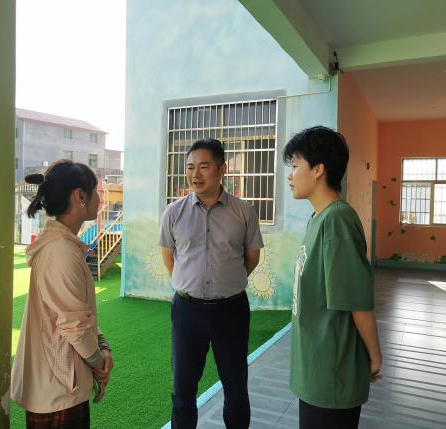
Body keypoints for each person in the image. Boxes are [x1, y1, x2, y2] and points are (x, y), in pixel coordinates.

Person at [159, 138, 263, 429]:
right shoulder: (173, 213)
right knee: (183, 391)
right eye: (190, 167)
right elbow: (169, 257)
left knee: (236, 389)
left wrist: (226, 281)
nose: (195, 174)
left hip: (231, 311)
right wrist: (189, 283)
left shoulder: (243, 212)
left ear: (221, 170)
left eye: (204, 167)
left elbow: (252, 257)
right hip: (187, 311)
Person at [284, 126, 382, 429]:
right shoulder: (319, 218)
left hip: (332, 372)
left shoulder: (337, 220)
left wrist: (374, 356)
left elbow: (356, 301)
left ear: (318, 170)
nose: (290, 175)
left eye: (295, 165)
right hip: (316, 368)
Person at [11, 160, 113, 429]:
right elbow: (75, 326)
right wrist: (99, 362)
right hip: (58, 390)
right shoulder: (61, 252)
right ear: (80, 196)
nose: (100, 198)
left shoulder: (62, 246)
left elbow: (79, 315)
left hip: (60, 385)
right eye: (95, 190)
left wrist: (103, 347)